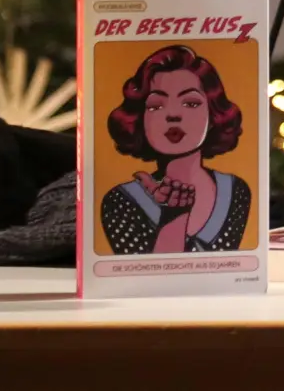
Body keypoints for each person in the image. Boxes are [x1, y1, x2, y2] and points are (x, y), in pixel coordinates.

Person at [101, 44, 252, 254]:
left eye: (190, 103)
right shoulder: (122, 201)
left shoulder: (235, 191)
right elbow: (148, 272)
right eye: (156, 106)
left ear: (213, 116)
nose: (173, 114)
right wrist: (174, 216)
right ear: (140, 120)